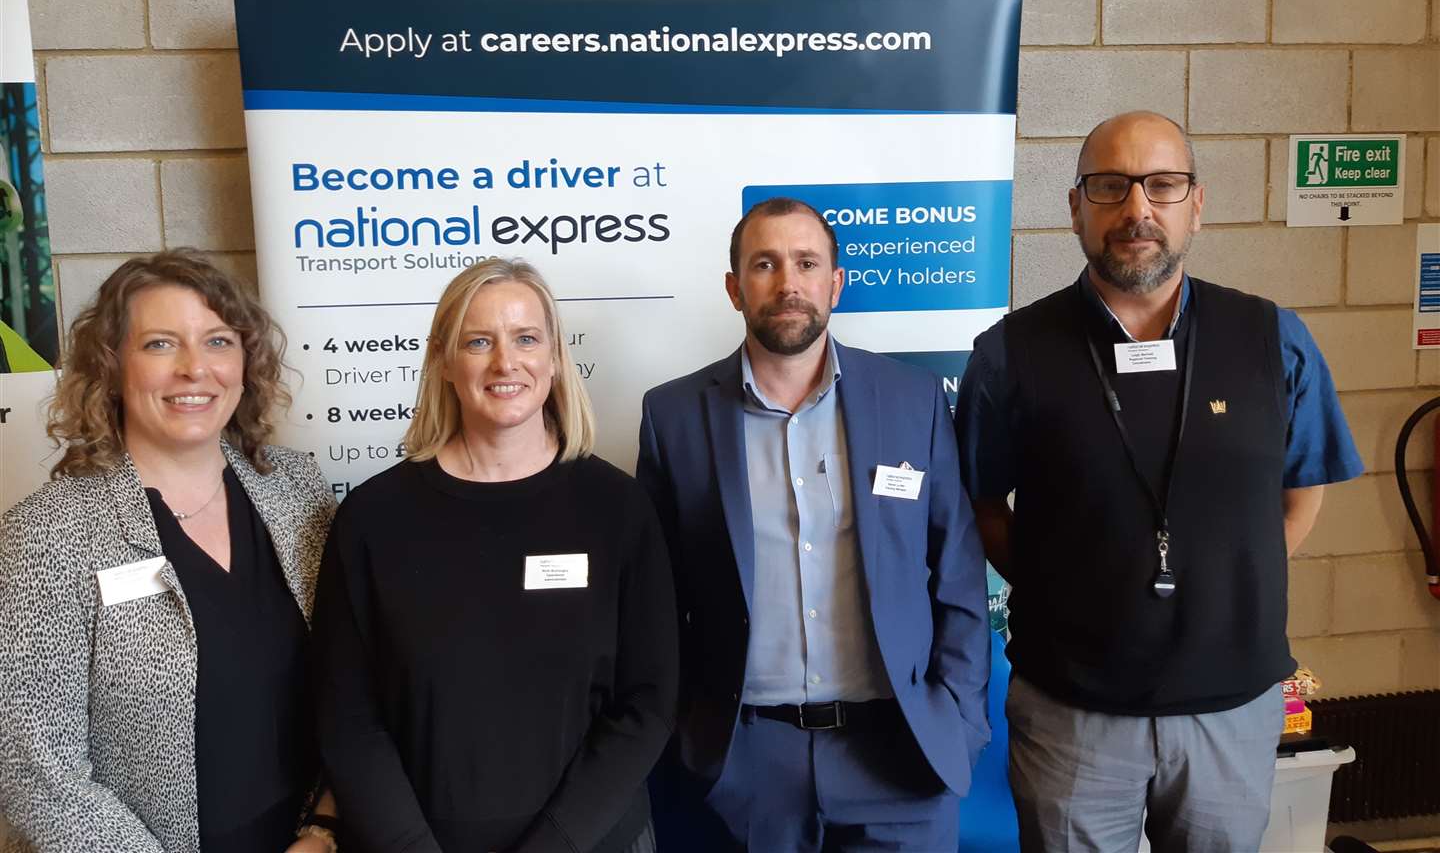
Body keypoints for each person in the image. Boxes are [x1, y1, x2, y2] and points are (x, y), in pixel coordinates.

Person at [955, 111, 1364, 852]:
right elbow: (981, 504)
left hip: (1231, 712)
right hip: (1070, 713)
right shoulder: (1011, 353)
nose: (1137, 209)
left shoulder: (1274, 339)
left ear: (1195, 206)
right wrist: (1061, 587)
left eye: (1162, 185)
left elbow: (1304, 487)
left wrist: (1230, 582)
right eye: (1110, 187)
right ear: (1076, 208)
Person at [637, 197, 990, 852]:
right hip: (748, 766)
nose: (788, 282)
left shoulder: (912, 400)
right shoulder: (674, 417)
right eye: (764, 264)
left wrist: (960, 717)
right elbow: (655, 602)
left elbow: (959, 573)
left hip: (902, 755)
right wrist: (688, 729)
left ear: (835, 283)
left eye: (806, 263)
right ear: (734, 288)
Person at [311, 257, 677, 853]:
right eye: (479, 341)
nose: (506, 362)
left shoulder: (617, 509)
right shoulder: (372, 520)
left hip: (588, 842)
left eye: (526, 338)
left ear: (555, 357)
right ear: (443, 359)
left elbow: (648, 705)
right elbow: (348, 718)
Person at [0, 249, 339, 852]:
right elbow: (35, 772)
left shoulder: (297, 492)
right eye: (160, 344)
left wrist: (323, 829)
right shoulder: (49, 534)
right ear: (110, 367)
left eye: (217, 341)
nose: (194, 369)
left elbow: (352, 682)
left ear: (245, 361)